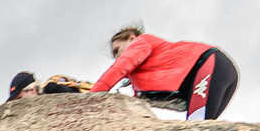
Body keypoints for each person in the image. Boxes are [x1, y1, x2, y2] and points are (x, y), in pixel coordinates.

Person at [89, 21, 240, 121]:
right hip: (222, 70)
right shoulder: (142, 77)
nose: (118, 57)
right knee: (205, 128)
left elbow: (118, 69)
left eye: (117, 50)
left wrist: (90, 99)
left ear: (131, 38)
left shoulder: (141, 42)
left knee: (197, 127)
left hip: (207, 64)